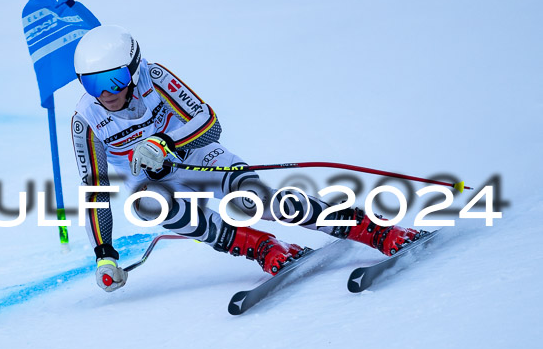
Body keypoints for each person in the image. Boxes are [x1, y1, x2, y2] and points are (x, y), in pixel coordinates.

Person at [71, 25, 422, 292]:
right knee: (149, 205)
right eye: (92, 84)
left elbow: (210, 124)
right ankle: (261, 247)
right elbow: (95, 190)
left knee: (254, 202)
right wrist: (104, 253)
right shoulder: (86, 119)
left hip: (198, 156)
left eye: (114, 81)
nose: (106, 94)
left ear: (133, 71)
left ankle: (371, 229)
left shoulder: (156, 77)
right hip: (156, 184)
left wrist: (165, 142)